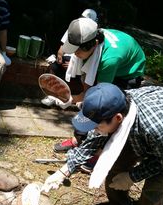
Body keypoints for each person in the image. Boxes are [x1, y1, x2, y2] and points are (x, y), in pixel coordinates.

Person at [53, 17, 146, 152]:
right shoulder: (87, 38)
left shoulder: (109, 59)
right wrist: (79, 98)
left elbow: (99, 97)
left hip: (128, 72)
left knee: (108, 111)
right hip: (114, 59)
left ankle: (100, 151)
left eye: (77, 51)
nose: (74, 54)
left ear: (94, 44)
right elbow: (86, 82)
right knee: (89, 103)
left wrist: (70, 99)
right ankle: (78, 140)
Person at [42, 9, 98, 107]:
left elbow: (90, 70)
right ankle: (52, 95)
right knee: (55, 66)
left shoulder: (92, 39)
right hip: (72, 59)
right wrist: (60, 59)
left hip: (81, 64)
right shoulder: (75, 29)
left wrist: (74, 66)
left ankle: (76, 101)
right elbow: (62, 49)